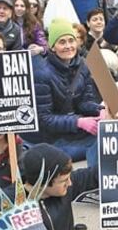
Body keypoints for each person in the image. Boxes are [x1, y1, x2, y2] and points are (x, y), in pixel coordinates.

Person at [24, 19, 102, 162]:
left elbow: (85, 100)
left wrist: (100, 110)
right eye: (62, 42)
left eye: (71, 41)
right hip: (52, 138)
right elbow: (44, 119)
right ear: (52, 47)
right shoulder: (42, 74)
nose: (68, 46)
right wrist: (79, 122)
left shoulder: (83, 65)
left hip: (75, 131)